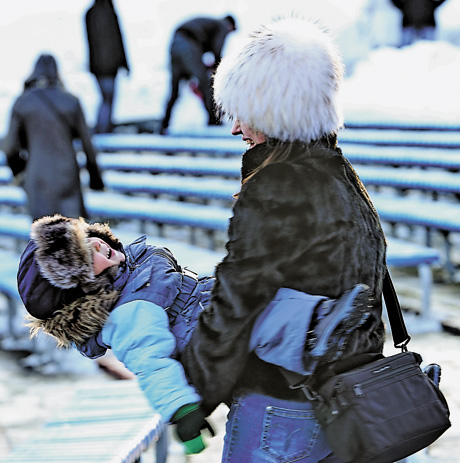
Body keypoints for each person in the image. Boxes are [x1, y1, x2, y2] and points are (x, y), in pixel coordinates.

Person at [178, 16, 388, 462]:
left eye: (243, 113)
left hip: (280, 409)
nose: (236, 129)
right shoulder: (342, 175)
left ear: (273, 109)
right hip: (339, 401)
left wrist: (191, 394)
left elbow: (237, 301)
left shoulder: (278, 184)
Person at [17, 214, 371, 457]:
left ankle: (321, 320)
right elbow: (150, 364)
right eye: (84, 258)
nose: (95, 247)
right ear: (83, 289)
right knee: (258, 320)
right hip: (210, 342)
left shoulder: (133, 272)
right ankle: (316, 333)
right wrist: (182, 412)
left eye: (86, 238)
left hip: (215, 320)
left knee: (258, 297)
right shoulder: (128, 314)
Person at [3, 54, 104, 221]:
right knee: (73, 238)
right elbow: (88, 144)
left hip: (37, 178)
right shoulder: (71, 101)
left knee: (45, 239)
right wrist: (96, 179)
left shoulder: (22, 102)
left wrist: (20, 173)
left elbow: (10, 147)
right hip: (67, 177)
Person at [160, 15, 237, 135]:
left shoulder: (209, 25)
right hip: (188, 45)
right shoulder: (222, 26)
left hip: (175, 43)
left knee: (175, 88)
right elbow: (217, 51)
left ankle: (163, 124)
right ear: (230, 25)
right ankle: (214, 123)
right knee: (206, 85)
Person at [85, 0, 130, 133]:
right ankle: (104, 130)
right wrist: (125, 64)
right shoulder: (110, 13)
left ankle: (103, 128)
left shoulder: (90, 13)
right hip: (110, 67)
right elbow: (119, 40)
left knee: (105, 99)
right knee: (108, 99)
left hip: (98, 67)